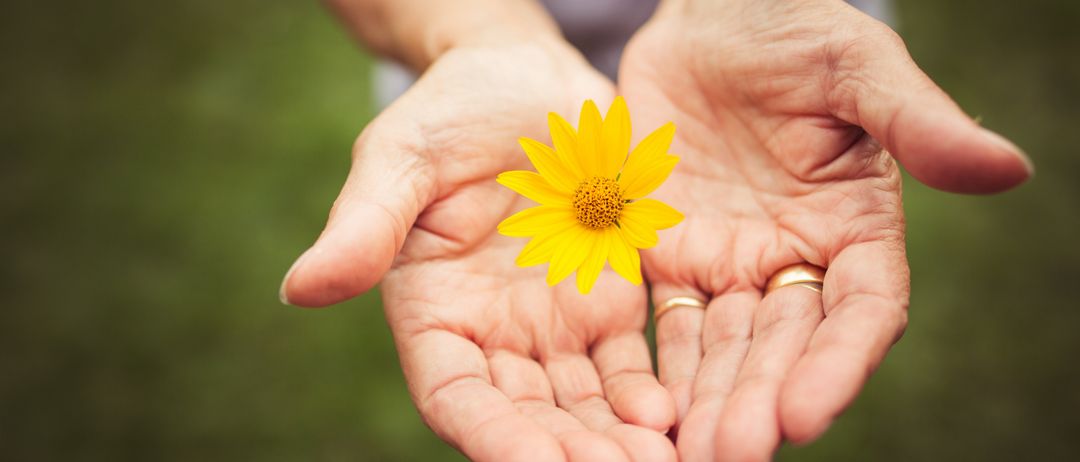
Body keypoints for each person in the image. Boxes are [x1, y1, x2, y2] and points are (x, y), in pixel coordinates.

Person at [280, 1, 1033, 461]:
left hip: (751, 77)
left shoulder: (622, 191)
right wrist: (477, 30)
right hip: (498, 97)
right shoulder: (572, 200)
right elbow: (562, 216)